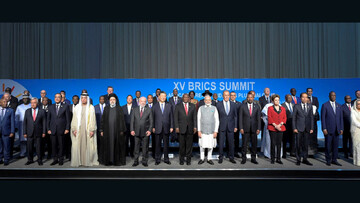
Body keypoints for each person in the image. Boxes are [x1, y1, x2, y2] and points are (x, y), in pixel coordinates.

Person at [70, 93, 99, 167]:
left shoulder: (91, 107)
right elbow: (74, 119)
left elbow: (93, 119)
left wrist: (92, 129)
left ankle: (87, 161)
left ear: (87, 99)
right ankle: (79, 161)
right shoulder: (77, 107)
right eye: (82, 98)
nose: (83, 99)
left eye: (85, 98)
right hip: (79, 129)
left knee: (88, 144)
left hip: (88, 129)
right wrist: (74, 129)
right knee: (78, 144)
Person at [100, 94, 127, 166]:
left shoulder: (119, 108)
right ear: (109, 101)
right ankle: (108, 161)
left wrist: (122, 130)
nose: (112, 101)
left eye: (113, 100)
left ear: (116, 100)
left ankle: (116, 161)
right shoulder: (106, 108)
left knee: (117, 146)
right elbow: (103, 119)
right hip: (107, 131)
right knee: (108, 145)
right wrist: (101, 130)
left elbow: (122, 120)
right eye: (111, 100)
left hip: (117, 131)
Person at [47, 93, 71, 166]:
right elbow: (48, 119)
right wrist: (48, 129)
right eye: (56, 97)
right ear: (54, 98)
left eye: (58, 97)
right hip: (52, 130)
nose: (57, 98)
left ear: (61, 99)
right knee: (53, 145)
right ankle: (55, 159)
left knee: (61, 145)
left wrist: (67, 128)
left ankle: (61, 159)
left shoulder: (66, 106)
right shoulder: (50, 107)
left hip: (62, 129)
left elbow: (68, 119)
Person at [321, 91, 344, 166]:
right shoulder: (325, 105)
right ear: (329, 96)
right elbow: (323, 118)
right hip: (328, 129)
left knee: (335, 146)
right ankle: (328, 160)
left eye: (334, 95)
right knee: (328, 146)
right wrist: (324, 128)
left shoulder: (339, 106)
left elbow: (341, 118)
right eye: (332, 95)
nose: (333, 97)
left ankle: (334, 159)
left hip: (337, 129)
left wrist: (341, 128)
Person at [174, 93, 197, 165]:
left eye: (187, 97)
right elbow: (175, 118)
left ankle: (188, 160)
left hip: (190, 128)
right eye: (184, 97)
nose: (186, 98)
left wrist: (195, 127)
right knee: (182, 145)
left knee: (189, 145)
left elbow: (194, 118)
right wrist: (177, 127)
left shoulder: (193, 106)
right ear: (182, 98)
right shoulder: (178, 106)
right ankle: (181, 159)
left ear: (189, 98)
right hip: (181, 128)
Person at [130, 97, 153, 167]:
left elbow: (151, 121)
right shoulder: (135, 109)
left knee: (145, 148)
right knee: (136, 148)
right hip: (136, 132)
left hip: (145, 132)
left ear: (146, 102)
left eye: (144, 101)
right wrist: (132, 129)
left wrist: (149, 130)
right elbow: (132, 121)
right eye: (141, 101)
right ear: (139, 102)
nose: (143, 102)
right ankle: (136, 161)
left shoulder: (149, 110)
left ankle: (144, 161)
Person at [239, 92, 261, 164]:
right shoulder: (242, 106)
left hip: (254, 129)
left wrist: (258, 128)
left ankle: (253, 158)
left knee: (254, 144)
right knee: (244, 144)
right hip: (245, 128)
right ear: (246, 98)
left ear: (253, 98)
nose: (250, 98)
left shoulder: (257, 107)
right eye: (248, 97)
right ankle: (243, 159)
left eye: (251, 97)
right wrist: (241, 128)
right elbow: (240, 118)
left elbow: (258, 118)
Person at [23, 98, 46, 166]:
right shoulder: (27, 111)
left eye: (34, 102)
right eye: (31, 103)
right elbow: (25, 122)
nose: (33, 104)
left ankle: (39, 160)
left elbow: (44, 122)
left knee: (39, 147)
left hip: (39, 132)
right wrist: (24, 132)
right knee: (29, 147)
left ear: (37, 103)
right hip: (29, 132)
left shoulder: (42, 111)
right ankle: (30, 160)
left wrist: (44, 132)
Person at [216, 90, 237, 164]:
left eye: (228, 95)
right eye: (225, 95)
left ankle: (231, 157)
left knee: (231, 143)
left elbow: (235, 116)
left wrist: (235, 126)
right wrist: (216, 128)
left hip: (231, 126)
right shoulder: (218, 104)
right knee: (221, 143)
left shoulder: (233, 104)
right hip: (221, 126)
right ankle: (220, 157)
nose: (227, 96)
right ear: (222, 96)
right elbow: (216, 117)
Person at [293, 92, 314, 166]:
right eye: (303, 97)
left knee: (305, 145)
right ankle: (298, 159)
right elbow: (294, 118)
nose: (305, 99)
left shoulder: (310, 106)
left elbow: (311, 117)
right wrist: (294, 128)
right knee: (298, 144)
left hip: (307, 128)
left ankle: (305, 159)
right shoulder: (296, 106)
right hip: (298, 128)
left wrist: (311, 128)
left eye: (306, 97)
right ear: (300, 98)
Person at [152, 91, 173, 165]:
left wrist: (171, 126)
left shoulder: (169, 105)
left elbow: (171, 117)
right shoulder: (155, 106)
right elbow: (152, 118)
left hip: (166, 128)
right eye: (162, 96)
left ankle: (166, 159)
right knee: (157, 145)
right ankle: (157, 159)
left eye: (165, 96)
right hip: (157, 128)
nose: (163, 97)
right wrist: (153, 127)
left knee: (166, 145)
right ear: (159, 97)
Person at [197, 95, 219, 165]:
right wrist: (199, 130)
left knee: (210, 145)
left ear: (211, 101)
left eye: (209, 100)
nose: (207, 101)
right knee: (202, 145)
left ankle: (209, 158)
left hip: (211, 131)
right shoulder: (201, 108)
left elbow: (217, 120)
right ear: (204, 101)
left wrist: (216, 131)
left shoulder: (214, 108)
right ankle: (202, 158)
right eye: (206, 100)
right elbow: (198, 120)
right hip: (202, 131)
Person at [267, 94, 287, 164]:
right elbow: (269, 118)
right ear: (272, 101)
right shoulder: (270, 108)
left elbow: (285, 118)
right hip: (272, 128)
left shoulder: (283, 108)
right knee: (273, 143)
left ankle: (278, 159)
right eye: (275, 100)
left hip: (281, 128)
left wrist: (280, 125)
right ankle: (272, 158)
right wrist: (276, 126)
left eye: (278, 100)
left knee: (279, 144)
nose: (277, 101)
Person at [15, 93, 31, 158]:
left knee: (30, 140)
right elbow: (16, 117)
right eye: (24, 99)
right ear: (22, 99)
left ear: (28, 99)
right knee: (22, 141)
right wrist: (16, 126)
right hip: (21, 126)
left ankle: (30, 153)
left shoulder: (31, 105)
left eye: (26, 99)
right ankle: (22, 153)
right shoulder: (19, 107)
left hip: (30, 125)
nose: (25, 100)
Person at [0, 98, 15, 166]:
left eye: (6, 102)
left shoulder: (11, 110)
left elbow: (12, 122)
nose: (5, 103)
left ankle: (6, 160)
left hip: (7, 132)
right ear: (0, 103)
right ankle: (0, 159)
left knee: (6, 147)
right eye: (4, 102)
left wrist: (12, 131)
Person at [307, 88, 320, 156]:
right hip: (306, 122)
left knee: (314, 137)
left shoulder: (315, 99)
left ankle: (313, 153)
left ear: (312, 92)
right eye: (308, 91)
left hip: (314, 122)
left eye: (310, 91)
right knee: (307, 138)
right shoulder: (304, 98)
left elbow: (317, 107)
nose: (309, 92)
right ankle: (307, 152)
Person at [94, 95, 106, 162]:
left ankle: (104, 155)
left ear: (104, 100)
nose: (102, 100)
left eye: (103, 99)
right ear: (99, 100)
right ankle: (98, 156)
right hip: (97, 128)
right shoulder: (95, 107)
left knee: (105, 143)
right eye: (100, 99)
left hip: (106, 128)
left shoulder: (107, 107)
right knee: (98, 143)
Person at [230, 91, 242, 158]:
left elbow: (240, 115)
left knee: (236, 139)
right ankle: (229, 152)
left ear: (236, 96)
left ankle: (236, 152)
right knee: (229, 140)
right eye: (231, 95)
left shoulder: (239, 104)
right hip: (228, 125)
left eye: (234, 95)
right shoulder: (226, 103)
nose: (233, 96)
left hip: (236, 125)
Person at [351, 99, 360, 166]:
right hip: (356, 130)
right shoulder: (353, 110)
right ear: (355, 105)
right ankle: (357, 162)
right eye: (358, 104)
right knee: (356, 146)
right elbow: (353, 121)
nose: (359, 105)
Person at [146, 94, 156, 159]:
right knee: (146, 142)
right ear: (147, 99)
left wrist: (154, 127)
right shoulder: (145, 106)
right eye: (148, 98)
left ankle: (154, 154)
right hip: (146, 127)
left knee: (154, 141)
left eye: (151, 98)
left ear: (152, 99)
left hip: (154, 127)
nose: (150, 99)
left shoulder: (156, 106)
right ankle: (145, 154)